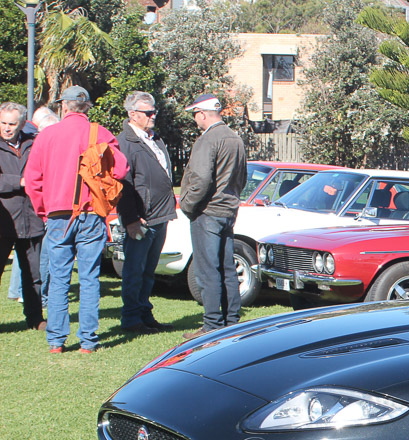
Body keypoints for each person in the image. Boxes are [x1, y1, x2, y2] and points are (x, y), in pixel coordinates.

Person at [25, 86, 127, 354]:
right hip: (91, 212)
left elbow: (33, 180)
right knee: (90, 277)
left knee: (58, 278)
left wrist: (43, 211)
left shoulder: (47, 135)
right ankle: (88, 341)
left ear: (64, 107)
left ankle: (56, 340)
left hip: (57, 215)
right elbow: (122, 169)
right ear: (87, 107)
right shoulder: (99, 133)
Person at [178, 93, 246, 340]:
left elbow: (201, 179)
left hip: (207, 211)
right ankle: (232, 321)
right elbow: (242, 178)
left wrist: (188, 205)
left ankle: (212, 324)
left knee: (208, 270)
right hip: (228, 209)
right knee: (227, 268)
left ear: (202, 114)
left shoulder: (207, 140)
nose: (196, 120)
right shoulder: (235, 138)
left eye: (195, 115)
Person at [116, 91, 176, 333]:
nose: (153, 116)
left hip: (160, 215)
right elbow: (122, 183)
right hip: (141, 218)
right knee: (134, 270)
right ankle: (131, 319)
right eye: (148, 113)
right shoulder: (125, 142)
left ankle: (144, 313)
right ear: (133, 114)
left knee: (148, 271)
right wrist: (130, 219)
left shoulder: (155, 139)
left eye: (154, 112)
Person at [0, 102, 45, 330]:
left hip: (31, 218)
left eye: (12, 124)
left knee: (33, 274)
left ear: (22, 124)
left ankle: (35, 318)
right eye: (3, 123)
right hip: (4, 220)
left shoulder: (33, 142)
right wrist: (19, 182)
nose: (7, 128)